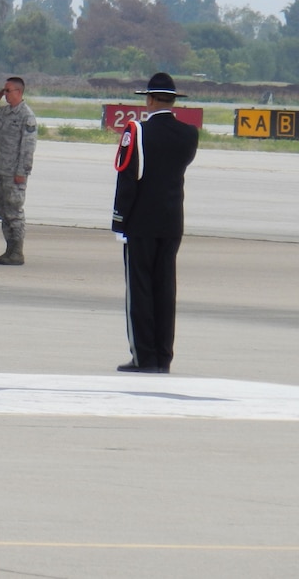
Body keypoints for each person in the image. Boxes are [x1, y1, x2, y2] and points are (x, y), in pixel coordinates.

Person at [112, 72, 199, 374]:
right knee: (165, 289)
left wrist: (119, 220)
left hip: (141, 223)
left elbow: (128, 178)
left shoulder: (137, 131)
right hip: (172, 221)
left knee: (140, 290)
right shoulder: (189, 134)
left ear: (149, 100)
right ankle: (163, 356)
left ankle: (144, 357)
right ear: (173, 101)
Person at [0, 76, 37, 265]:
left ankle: (17, 251)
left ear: (19, 92)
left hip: (15, 172)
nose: (5, 94)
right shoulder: (3, 112)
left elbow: (28, 148)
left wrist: (22, 172)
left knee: (14, 212)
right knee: (2, 210)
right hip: (1, 170)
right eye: (4, 90)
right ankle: (9, 250)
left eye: (8, 91)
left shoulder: (26, 116)